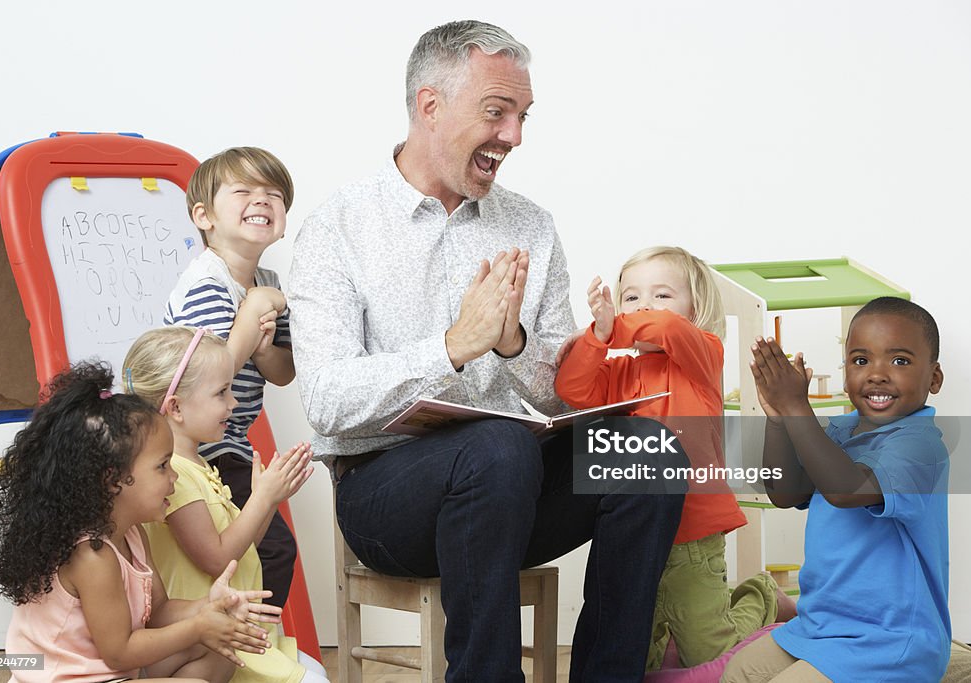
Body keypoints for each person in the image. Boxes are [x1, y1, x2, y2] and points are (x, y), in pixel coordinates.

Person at [289, 20, 683, 681]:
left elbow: (564, 389)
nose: (514, 136)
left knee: (648, 452)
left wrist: (514, 343)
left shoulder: (531, 225)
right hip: (387, 499)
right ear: (431, 106)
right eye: (497, 112)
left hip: (516, 488)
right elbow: (327, 400)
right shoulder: (339, 227)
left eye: (522, 116)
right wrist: (450, 348)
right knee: (495, 448)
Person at [555, 245, 786, 671]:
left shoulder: (703, 354)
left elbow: (666, 329)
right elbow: (572, 388)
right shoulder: (620, 374)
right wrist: (596, 338)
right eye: (630, 297)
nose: (645, 306)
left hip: (694, 537)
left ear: (696, 308)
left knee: (707, 648)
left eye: (662, 295)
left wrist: (617, 325)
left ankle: (763, 594)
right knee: (638, 655)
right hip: (635, 538)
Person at [0, 362, 279, 683]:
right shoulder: (92, 556)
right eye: (162, 466)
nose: (175, 476)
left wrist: (208, 606)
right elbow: (119, 651)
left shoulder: (132, 534)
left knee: (220, 654)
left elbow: (159, 613)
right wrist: (197, 628)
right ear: (114, 479)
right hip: (68, 677)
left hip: (109, 668)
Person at [723, 296, 950, 682]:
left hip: (889, 642)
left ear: (934, 378)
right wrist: (779, 416)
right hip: (822, 626)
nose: (877, 374)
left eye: (899, 361)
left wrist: (798, 409)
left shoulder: (920, 445)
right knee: (739, 672)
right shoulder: (840, 432)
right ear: (845, 373)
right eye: (861, 360)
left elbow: (847, 490)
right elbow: (785, 492)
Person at [124, 326, 327, 683]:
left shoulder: (198, 465)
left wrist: (268, 500)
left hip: (227, 631)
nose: (233, 404)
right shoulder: (176, 476)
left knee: (317, 672)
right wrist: (262, 498)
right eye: (221, 393)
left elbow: (242, 547)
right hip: (206, 636)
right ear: (176, 408)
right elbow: (218, 560)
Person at [166, 146, 298, 608]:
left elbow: (282, 372)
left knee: (264, 550)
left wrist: (264, 344)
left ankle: (249, 649)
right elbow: (210, 371)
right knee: (270, 548)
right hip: (196, 445)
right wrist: (256, 309)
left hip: (230, 441)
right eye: (243, 191)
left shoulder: (267, 279)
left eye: (274, 194)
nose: (262, 200)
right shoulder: (208, 281)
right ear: (203, 216)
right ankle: (251, 650)